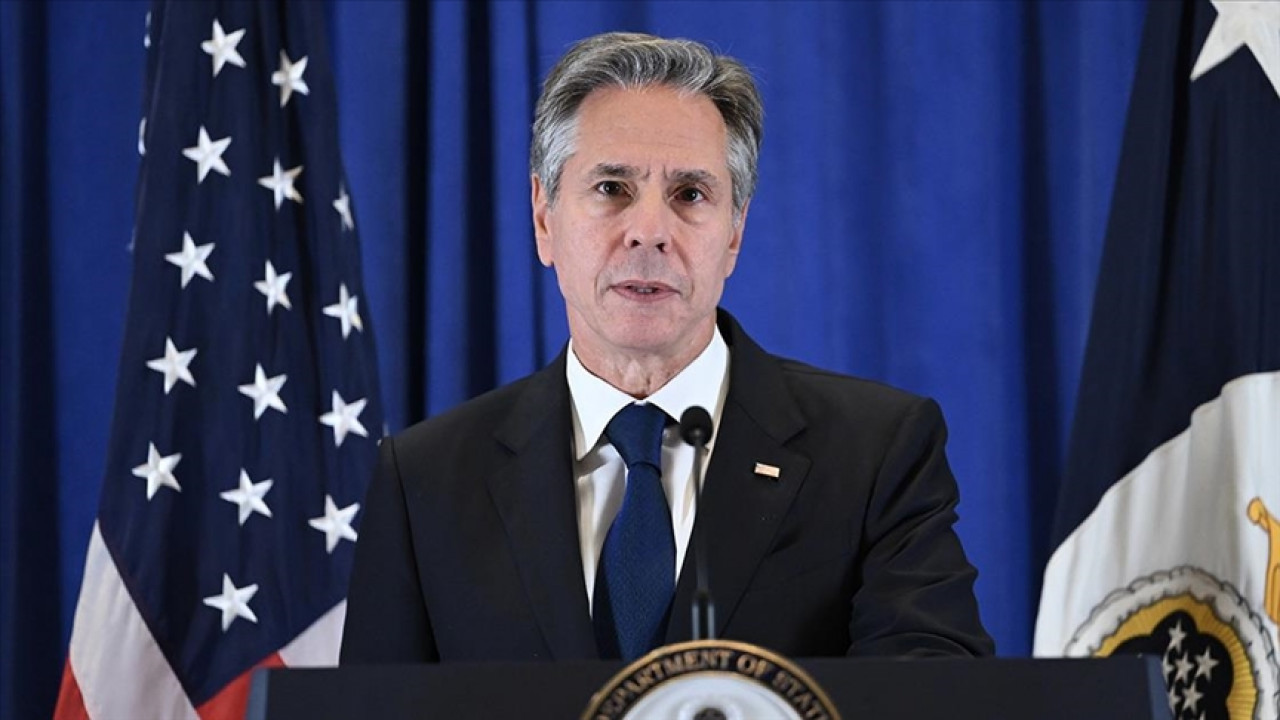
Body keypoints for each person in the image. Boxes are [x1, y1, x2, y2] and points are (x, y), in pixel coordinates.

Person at [340, 32, 993, 664]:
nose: (649, 231)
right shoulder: (424, 482)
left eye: (690, 194)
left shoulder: (877, 453)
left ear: (734, 231)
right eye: (611, 189)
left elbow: (933, 696)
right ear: (544, 218)